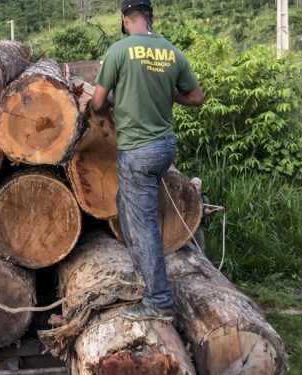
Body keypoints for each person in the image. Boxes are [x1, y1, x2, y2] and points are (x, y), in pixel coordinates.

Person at [91, 0, 205, 322]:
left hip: (138, 152)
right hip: (165, 146)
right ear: (150, 18)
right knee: (124, 205)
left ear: (126, 19)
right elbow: (197, 97)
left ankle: (158, 301)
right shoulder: (171, 52)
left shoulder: (119, 51)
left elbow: (98, 103)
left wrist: (115, 99)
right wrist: (169, 93)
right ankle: (143, 273)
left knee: (144, 227)